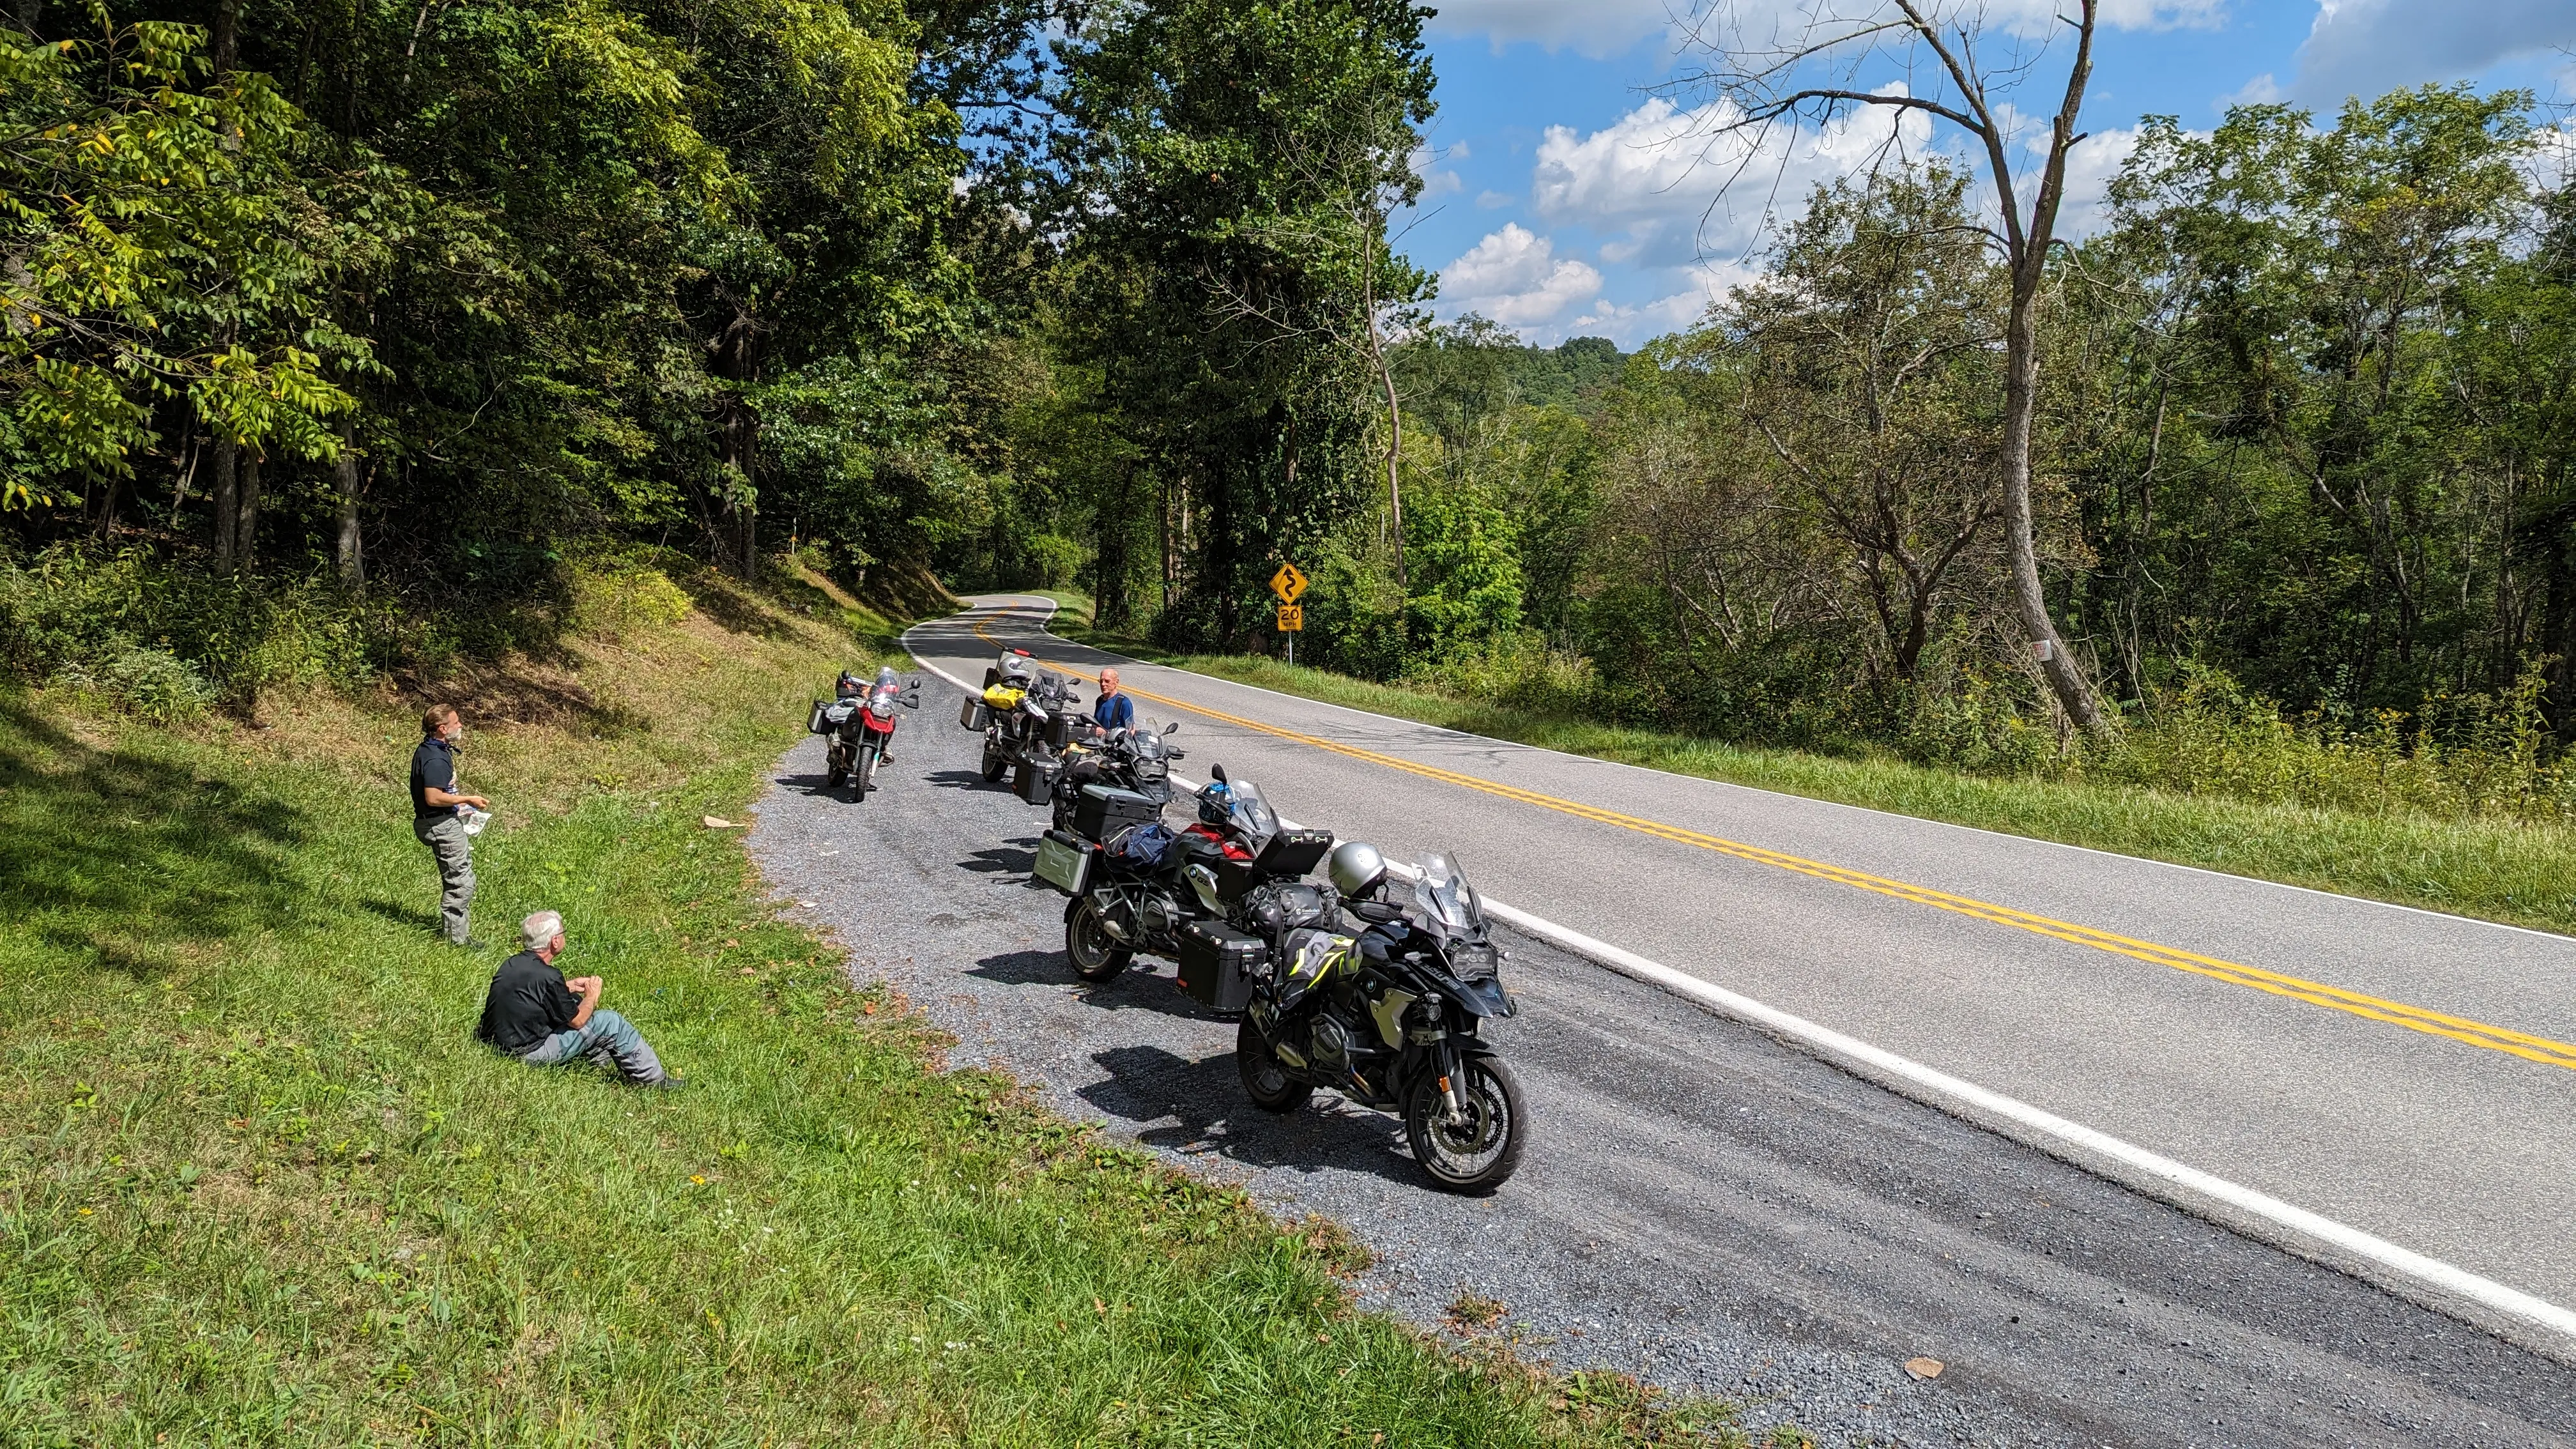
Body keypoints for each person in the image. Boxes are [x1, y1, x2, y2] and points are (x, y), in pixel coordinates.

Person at [476, 910, 678, 1087]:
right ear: (555, 941)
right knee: (610, 1022)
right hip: (527, 1053)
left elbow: (531, 993)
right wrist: (592, 996)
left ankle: (598, 1056)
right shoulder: (549, 976)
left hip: (496, 1045)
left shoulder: (511, 964)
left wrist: (569, 986)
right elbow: (578, 1021)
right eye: (562, 933)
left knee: (571, 998)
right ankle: (652, 1080)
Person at [410, 704, 487, 946]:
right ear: (443, 729)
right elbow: (433, 798)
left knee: (459, 878)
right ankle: (456, 942)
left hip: (439, 820)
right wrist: (467, 799)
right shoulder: (435, 758)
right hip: (441, 824)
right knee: (460, 882)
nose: (461, 725)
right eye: (456, 722)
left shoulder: (430, 748)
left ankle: (458, 935)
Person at [1092, 666, 1135, 735]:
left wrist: (1106, 734)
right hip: (1097, 740)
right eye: (1101, 681)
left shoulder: (1124, 703)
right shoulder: (1100, 700)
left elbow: (1131, 731)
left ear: (1116, 682)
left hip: (1113, 741)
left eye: (1107, 681)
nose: (1103, 684)